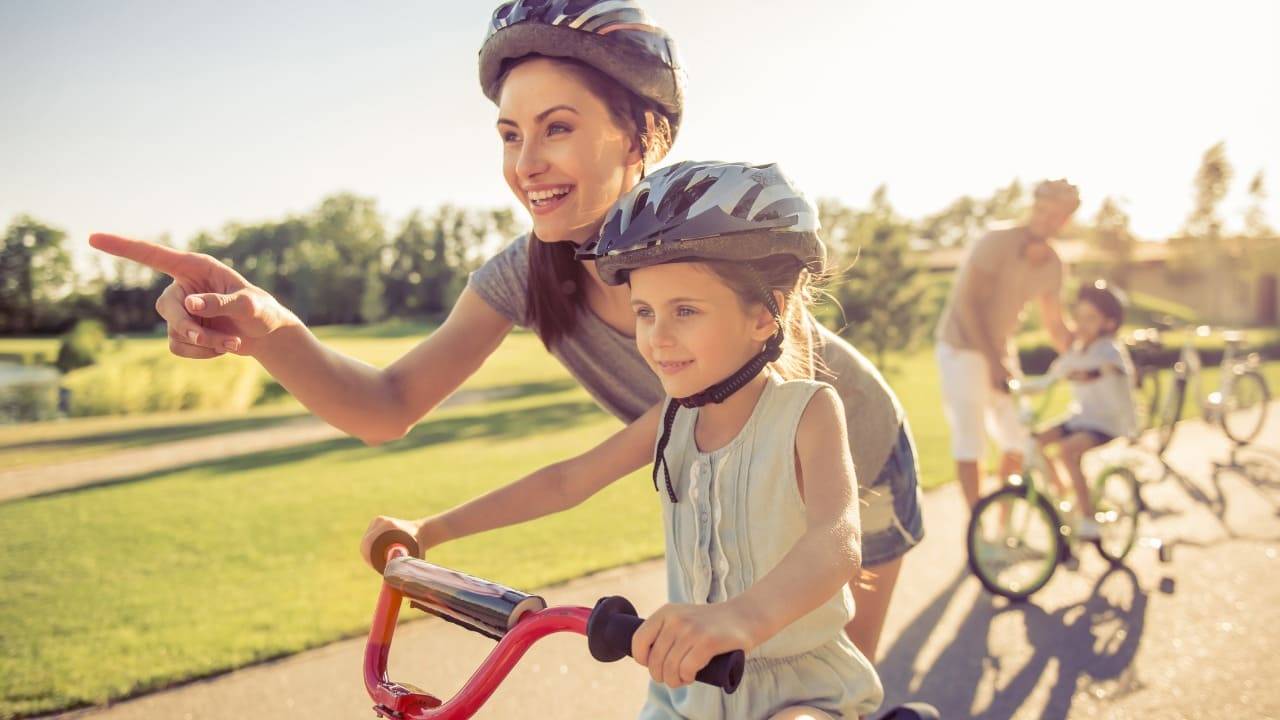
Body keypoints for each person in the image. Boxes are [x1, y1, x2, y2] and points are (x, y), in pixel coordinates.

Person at [87, 0, 921, 663]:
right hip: (711, 474)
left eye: (557, 127)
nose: (526, 164)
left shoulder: (712, 242)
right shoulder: (528, 272)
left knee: (810, 682)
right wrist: (265, 326)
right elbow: (388, 405)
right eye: (510, 134)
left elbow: (777, 426)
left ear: (641, 135)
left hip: (844, 472)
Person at [362, 161, 884, 719]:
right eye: (644, 312)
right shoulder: (670, 421)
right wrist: (432, 530)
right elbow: (567, 481)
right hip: (688, 693)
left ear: (766, 315)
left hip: (800, 694)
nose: (657, 338)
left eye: (685, 310)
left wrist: (742, 618)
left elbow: (837, 540)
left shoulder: (806, 411)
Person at [933, 179, 1080, 510]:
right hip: (962, 347)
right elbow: (968, 305)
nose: (1045, 218)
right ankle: (977, 527)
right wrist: (994, 362)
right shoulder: (996, 242)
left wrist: (1086, 356)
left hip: (1000, 350)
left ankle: (1003, 523)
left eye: (1055, 215)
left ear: (1065, 220)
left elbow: (1055, 324)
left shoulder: (1054, 264)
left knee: (1017, 439)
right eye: (1041, 210)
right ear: (1033, 206)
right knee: (972, 441)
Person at [1032, 280, 1136, 539]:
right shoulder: (1076, 351)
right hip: (1081, 417)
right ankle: (1065, 490)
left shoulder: (1110, 350)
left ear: (1109, 324)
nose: (1081, 324)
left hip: (1108, 423)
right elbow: (1050, 378)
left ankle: (1089, 518)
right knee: (1035, 442)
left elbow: (1112, 368)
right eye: (1078, 317)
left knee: (1067, 452)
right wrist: (1019, 386)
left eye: (1090, 318)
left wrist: (1093, 372)